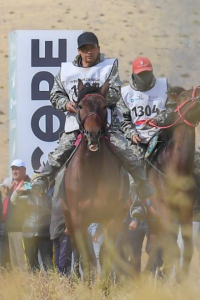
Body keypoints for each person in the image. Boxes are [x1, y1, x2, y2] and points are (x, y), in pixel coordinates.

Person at [31, 32, 154, 205]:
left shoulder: (108, 67)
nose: (89, 52)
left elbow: (115, 92)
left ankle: (142, 183)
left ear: (98, 49)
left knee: (125, 150)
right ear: (79, 51)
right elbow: (55, 94)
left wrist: (96, 98)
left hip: (105, 122)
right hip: (77, 121)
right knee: (61, 151)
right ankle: (42, 180)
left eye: (92, 48)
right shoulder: (66, 71)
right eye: (84, 49)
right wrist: (65, 103)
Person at [118, 57, 200, 217]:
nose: (144, 76)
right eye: (141, 74)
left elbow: (174, 107)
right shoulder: (125, 93)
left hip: (163, 134)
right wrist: (131, 134)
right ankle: (138, 203)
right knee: (134, 163)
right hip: (139, 139)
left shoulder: (164, 86)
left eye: (147, 72)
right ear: (134, 74)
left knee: (192, 155)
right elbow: (123, 120)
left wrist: (157, 119)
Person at [11, 179, 53, 271]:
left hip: (44, 234)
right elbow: (14, 200)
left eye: (39, 186)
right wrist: (18, 190)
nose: (37, 188)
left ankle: (50, 282)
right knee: (31, 261)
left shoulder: (49, 198)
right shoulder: (28, 197)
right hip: (28, 233)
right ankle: (34, 281)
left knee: (48, 262)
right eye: (35, 185)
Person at [5, 159, 31, 270]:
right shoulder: (12, 185)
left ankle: (26, 284)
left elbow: (30, 202)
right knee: (14, 262)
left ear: (24, 170)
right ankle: (18, 285)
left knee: (22, 261)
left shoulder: (29, 184)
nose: (15, 171)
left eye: (17, 169)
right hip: (11, 227)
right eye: (13, 169)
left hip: (21, 228)